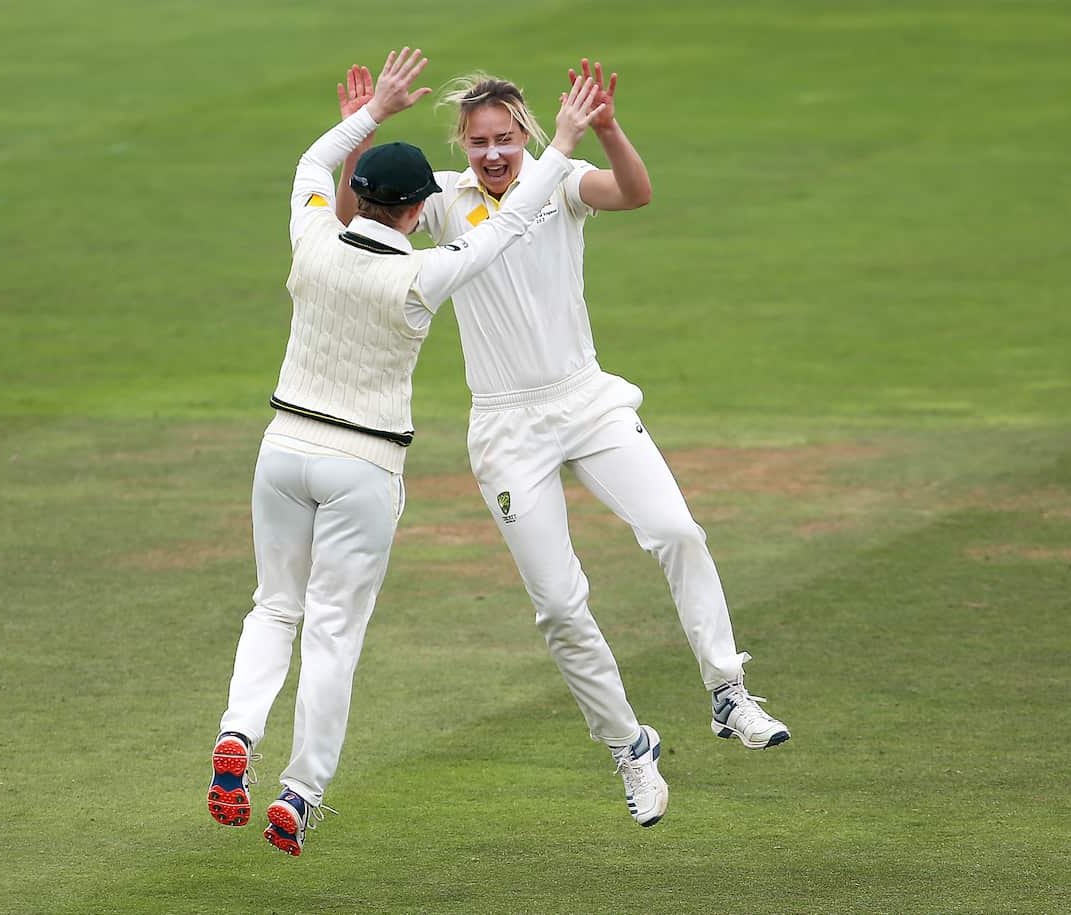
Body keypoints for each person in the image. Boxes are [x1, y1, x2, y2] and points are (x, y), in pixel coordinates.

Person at [336, 60, 790, 829]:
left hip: (587, 398)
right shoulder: (443, 202)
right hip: (508, 425)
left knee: (677, 529)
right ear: (462, 144)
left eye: (505, 138)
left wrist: (608, 129)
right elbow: (358, 215)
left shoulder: (562, 181)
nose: (491, 153)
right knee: (558, 604)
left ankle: (727, 691)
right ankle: (629, 746)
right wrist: (360, 135)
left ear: (526, 135)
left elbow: (635, 193)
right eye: (478, 141)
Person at [206, 48, 608, 857]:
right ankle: (299, 790)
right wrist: (560, 141)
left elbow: (311, 162)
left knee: (273, 607)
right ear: (421, 206)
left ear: (358, 196)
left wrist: (373, 112)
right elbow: (518, 217)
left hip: (283, 447)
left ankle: (238, 737)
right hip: (364, 464)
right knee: (332, 634)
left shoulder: (310, 234)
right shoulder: (427, 274)